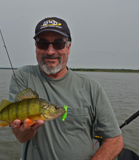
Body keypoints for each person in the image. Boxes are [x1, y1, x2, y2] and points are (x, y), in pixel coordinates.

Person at [9, 17, 123, 160]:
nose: (50, 51)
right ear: (36, 47)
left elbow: (115, 141)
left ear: (68, 48)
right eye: (43, 43)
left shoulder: (91, 88)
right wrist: (26, 128)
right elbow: (21, 137)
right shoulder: (23, 76)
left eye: (58, 44)